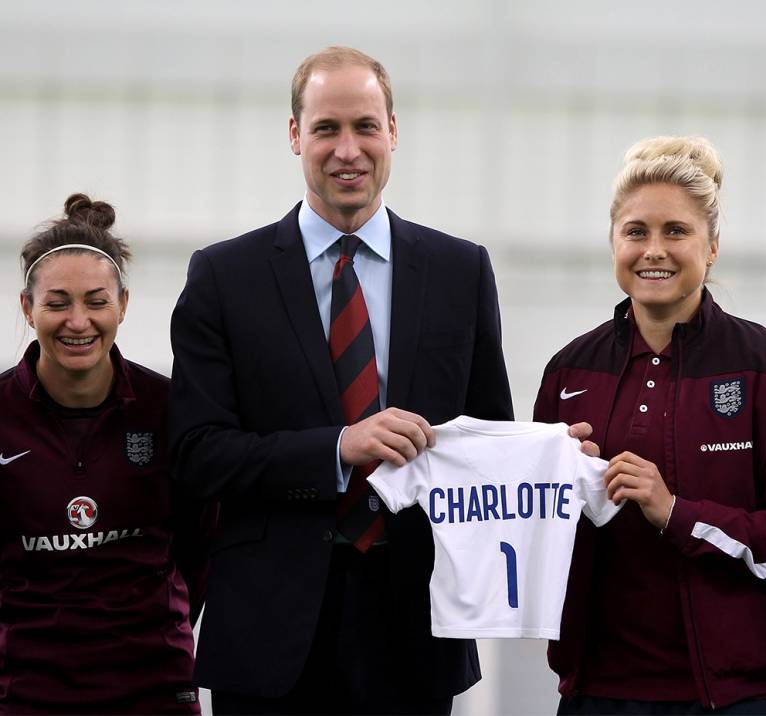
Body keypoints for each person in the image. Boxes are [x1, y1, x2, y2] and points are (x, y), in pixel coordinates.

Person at [168, 46, 513, 714]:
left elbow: (486, 439)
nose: (347, 149)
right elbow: (195, 453)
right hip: (268, 637)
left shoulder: (460, 273)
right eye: (326, 128)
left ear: (394, 133)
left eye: (365, 126)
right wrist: (336, 447)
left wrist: (555, 457)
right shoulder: (224, 277)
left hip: (414, 630)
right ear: (294, 134)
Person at [534, 136, 766, 715]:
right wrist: (556, 491)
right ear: (613, 242)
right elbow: (533, 536)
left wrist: (677, 514)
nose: (654, 250)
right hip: (598, 692)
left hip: (742, 698)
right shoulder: (569, 371)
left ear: (713, 246)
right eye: (636, 231)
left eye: (676, 231)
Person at [0, 194, 213, 714]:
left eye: (96, 301)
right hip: (24, 693)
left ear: (122, 303)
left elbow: (199, 551)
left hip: (153, 687)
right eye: (57, 303)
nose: (78, 321)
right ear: (28, 308)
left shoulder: (170, 409)